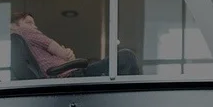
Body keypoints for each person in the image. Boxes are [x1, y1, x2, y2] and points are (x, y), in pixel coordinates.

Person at [11, 12, 140, 78]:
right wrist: (65, 53)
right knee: (126, 57)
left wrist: (67, 56)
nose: (35, 27)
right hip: (69, 76)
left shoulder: (25, 43)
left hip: (65, 75)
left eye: (34, 24)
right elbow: (62, 52)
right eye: (29, 22)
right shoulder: (25, 32)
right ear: (14, 26)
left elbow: (67, 57)